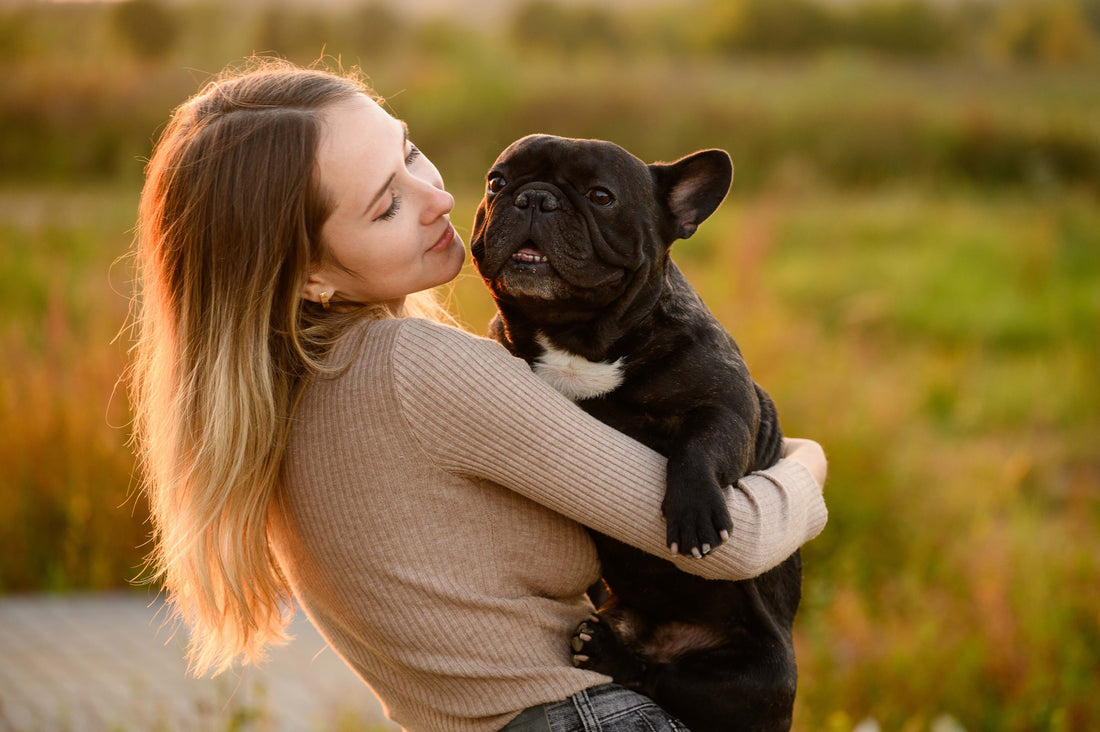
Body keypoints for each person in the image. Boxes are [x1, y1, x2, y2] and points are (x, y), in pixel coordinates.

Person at [129, 59, 828, 732]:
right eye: (387, 205)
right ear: (309, 273)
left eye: (411, 152)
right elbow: (738, 544)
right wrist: (806, 463)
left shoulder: (297, 386)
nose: (436, 197)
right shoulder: (423, 370)